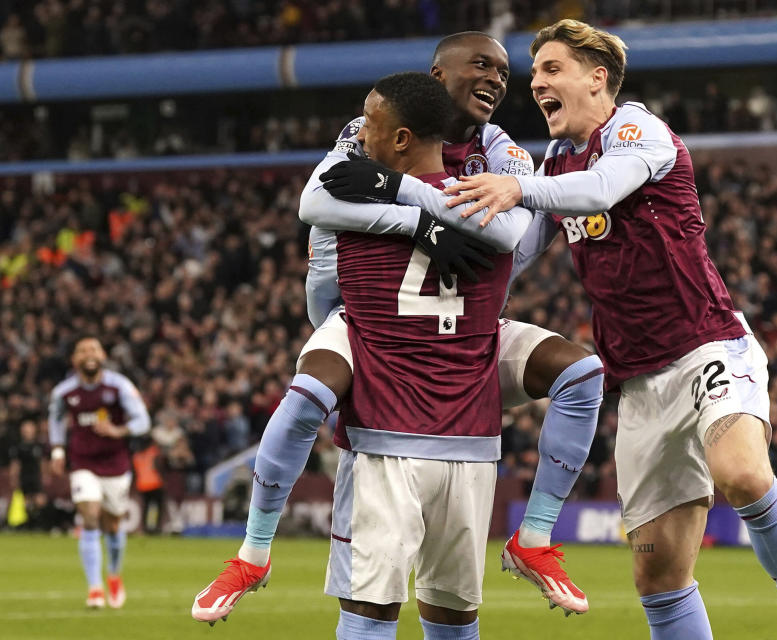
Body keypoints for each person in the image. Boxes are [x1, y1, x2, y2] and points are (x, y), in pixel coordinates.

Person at [334, 18, 777, 640]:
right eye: (536, 72)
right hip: (639, 384)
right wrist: (430, 250)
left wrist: (518, 187)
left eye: (552, 69)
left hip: (707, 348)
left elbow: (600, 191)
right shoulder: (558, 160)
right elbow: (514, 255)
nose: (535, 83)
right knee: (660, 577)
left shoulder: (635, 130)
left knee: (741, 474)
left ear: (597, 78)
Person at [192, 31, 603, 626]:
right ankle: (253, 552)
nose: (495, 79)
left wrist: (417, 200)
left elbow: (513, 234)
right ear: (439, 76)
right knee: (311, 389)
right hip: (358, 310)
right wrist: (420, 217)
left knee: (581, 372)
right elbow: (315, 200)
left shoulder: (501, 149)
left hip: (466, 320)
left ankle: (535, 535)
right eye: (482, 66)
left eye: (503, 73)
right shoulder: (368, 132)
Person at [49, 336, 151, 609]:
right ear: (74, 359)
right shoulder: (64, 392)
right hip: (82, 464)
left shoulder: (118, 386)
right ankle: (95, 588)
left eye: (93, 349)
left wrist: (119, 430)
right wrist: (57, 450)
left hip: (116, 465)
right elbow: (56, 420)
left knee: (113, 526)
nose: (88, 354)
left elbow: (143, 420)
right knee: (90, 518)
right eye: (82, 350)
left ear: (103, 355)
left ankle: (114, 576)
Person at [8, 420, 47, 529]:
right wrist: (13, 478)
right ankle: (28, 524)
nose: (27, 432)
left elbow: (42, 462)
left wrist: (45, 475)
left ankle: (39, 523)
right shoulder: (18, 447)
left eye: (30, 429)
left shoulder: (39, 446)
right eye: (25, 430)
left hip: (36, 476)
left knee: (40, 501)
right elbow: (15, 464)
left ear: (34, 430)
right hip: (24, 477)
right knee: (26, 501)